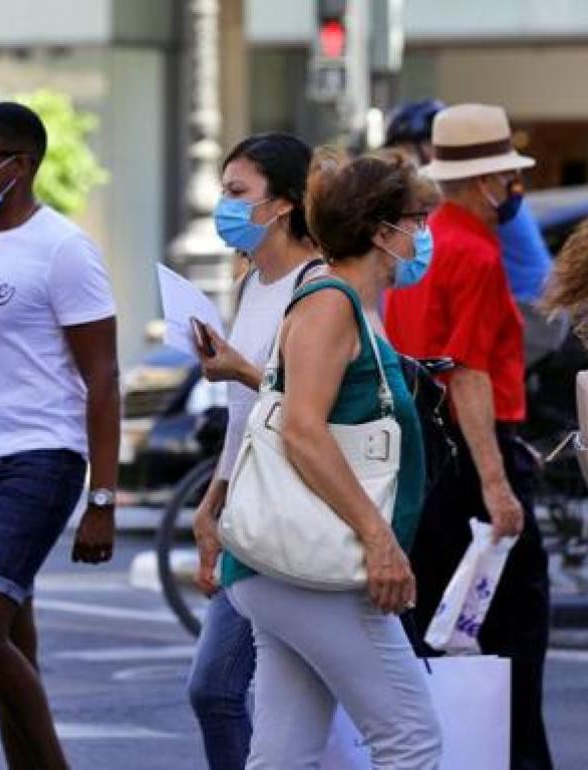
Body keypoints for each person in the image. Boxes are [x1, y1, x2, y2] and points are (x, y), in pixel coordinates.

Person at [221, 149, 440, 768]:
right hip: (322, 563)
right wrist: (378, 539)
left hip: (291, 565)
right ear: (380, 230)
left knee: (286, 753)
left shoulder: (349, 304)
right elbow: (303, 431)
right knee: (411, 737)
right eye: (414, 220)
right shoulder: (331, 302)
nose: (422, 236)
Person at [0, 101, 120, 770]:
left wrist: (102, 501)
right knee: (14, 644)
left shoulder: (64, 248)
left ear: (24, 164)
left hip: (41, 460)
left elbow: (102, 378)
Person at [385, 103, 553, 770]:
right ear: (487, 182)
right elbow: (470, 374)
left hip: (420, 460)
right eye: (508, 177)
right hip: (471, 460)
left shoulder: (416, 246)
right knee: (513, 637)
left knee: (434, 635)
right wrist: (497, 481)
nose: (514, 189)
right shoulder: (478, 254)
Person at [187, 133, 320, 770]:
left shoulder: (316, 286)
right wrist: (212, 501)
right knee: (225, 692)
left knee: (227, 689)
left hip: (295, 511)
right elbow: (244, 420)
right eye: (224, 192)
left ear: (283, 206)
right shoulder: (251, 285)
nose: (225, 206)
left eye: (239, 193)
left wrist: (241, 369)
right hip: (248, 509)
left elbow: (311, 402)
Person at [385, 99, 553, 304]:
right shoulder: (470, 251)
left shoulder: (430, 244)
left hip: (530, 310)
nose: (513, 187)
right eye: (507, 175)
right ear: (483, 181)